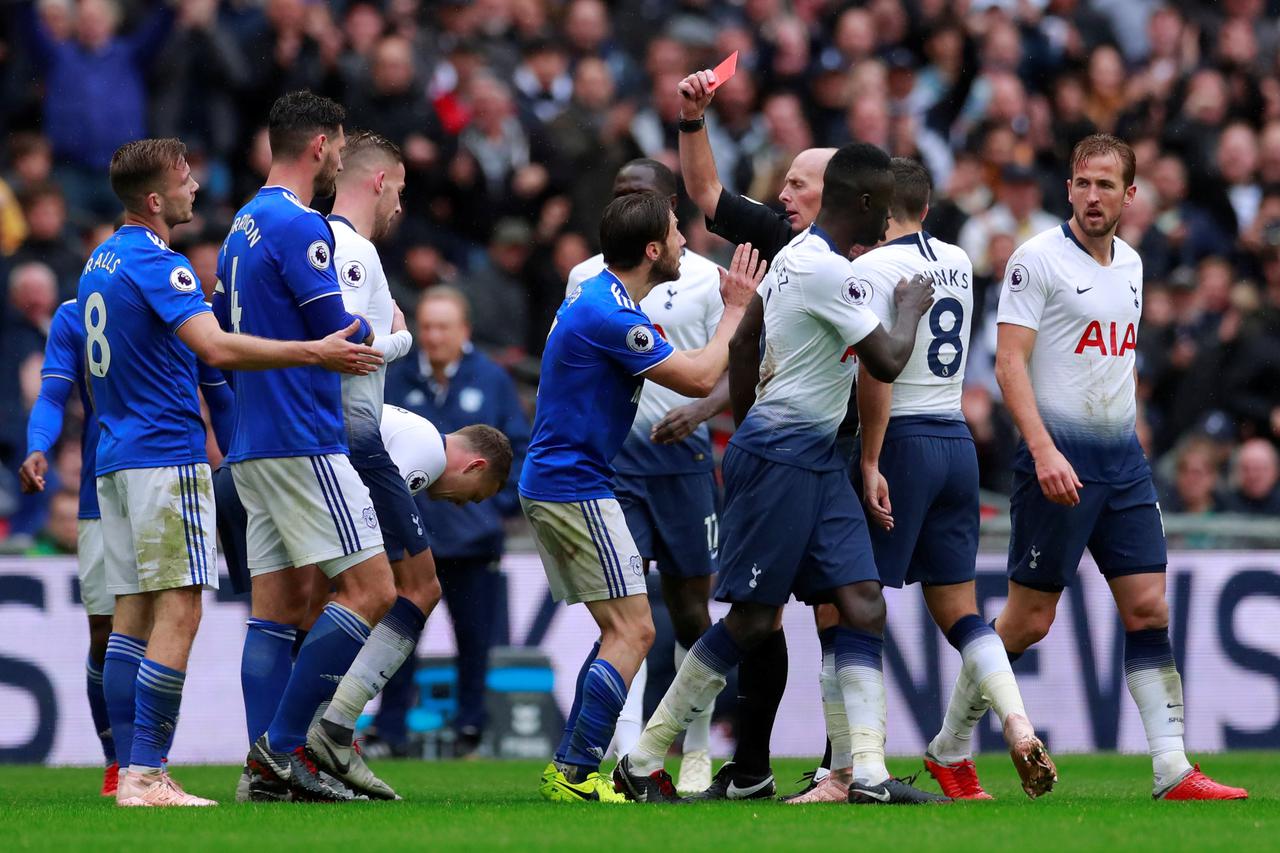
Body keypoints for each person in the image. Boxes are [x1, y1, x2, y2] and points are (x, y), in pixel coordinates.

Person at [615, 143, 943, 806]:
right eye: (883, 204)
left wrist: (744, 426)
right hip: (782, 458)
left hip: (813, 455)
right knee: (753, 621)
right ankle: (644, 756)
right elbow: (885, 358)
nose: (890, 220)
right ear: (865, 203)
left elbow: (743, 344)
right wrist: (911, 305)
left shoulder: (793, 260)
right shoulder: (825, 271)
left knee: (861, 600)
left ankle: (867, 773)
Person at [934, 134, 1247, 801]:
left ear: (1131, 195)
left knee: (1147, 605)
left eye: (1107, 185)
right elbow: (1009, 361)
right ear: (1069, 187)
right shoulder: (1036, 260)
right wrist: (1043, 448)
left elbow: (1115, 359)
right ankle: (949, 746)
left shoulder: (1132, 264)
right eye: (1083, 183)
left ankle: (1171, 766)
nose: (1093, 195)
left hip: (1122, 461)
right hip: (1058, 460)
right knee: (1028, 619)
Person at [83, 136, 379, 808]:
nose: (195, 187)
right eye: (186, 179)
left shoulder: (99, 261)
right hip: (165, 457)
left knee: (130, 616)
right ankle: (147, 773)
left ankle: (130, 770)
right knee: (179, 609)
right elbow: (214, 347)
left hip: (113, 460)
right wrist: (313, 351)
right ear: (155, 200)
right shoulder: (164, 265)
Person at [522, 191, 761, 803]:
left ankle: (569, 769)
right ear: (652, 249)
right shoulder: (612, 316)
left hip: (559, 481)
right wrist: (734, 310)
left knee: (618, 629)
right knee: (635, 631)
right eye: (677, 232)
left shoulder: (602, 297)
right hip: (575, 485)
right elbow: (703, 377)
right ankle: (576, 772)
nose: (685, 241)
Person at [841, 158, 1053, 803]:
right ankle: (1014, 726)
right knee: (960, 610)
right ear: (927, 209)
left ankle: (855, 766)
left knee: (850, 603)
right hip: (955, 438)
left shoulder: (868, 270)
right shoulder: (959, 260)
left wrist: (870, 459)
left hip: (901, 439)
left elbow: (877, 371)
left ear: (877, 209)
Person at [214, 91, 397, 803]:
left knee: (276, 606)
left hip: (251, 441)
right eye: (340, 150)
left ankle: (267, 775)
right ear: (319, 145)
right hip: (302, 435)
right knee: (374, 588)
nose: (339, 163)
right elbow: (341, 337)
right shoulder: (301, 227)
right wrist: (392, 330)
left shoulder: (241, 225)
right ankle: (282, 750)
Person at [676, 65, 839, 800]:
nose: (784, 193)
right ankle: (752, 769)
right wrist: (692, 122)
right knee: (760, 612)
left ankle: (845, 768)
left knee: (846, 604)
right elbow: (708, 197)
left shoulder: (876, 256)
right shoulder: (783, 239)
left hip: (842, 452)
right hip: (778, 449)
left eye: (800, 185)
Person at [564, 158, 726, 794]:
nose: (625, 209)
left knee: (691, 613)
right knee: (623, 617)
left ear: (667, 210)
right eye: (618, 196)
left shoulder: (709, 281)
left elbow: (740, 369)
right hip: (617, 466)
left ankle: (694, 747)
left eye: (639, 197)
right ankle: (625, 752)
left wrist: (704, 410)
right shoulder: (586, 277)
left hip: (684, 465)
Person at [305, 130, 439, 801]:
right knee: (411, 587)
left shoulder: (316, 241)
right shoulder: (353, 250)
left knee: (308, 598)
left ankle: (299, 744)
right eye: (402, 191)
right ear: (380, 181)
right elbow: (348, 346)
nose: (400, 208)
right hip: (355, 439)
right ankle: (328, 728)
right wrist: (403, 337)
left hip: (316, 435)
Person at [384, 287, 531, 759]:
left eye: (443, 326)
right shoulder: (397, 375)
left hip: (474, 542)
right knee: (398, 638)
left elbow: (519, 448)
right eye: (426, 326)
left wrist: (498, 506)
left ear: (464, 330)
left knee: (475, 643)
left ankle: (470, 729)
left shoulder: (491, 379)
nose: (433, 336)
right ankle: (390, 730)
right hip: (412, 540)